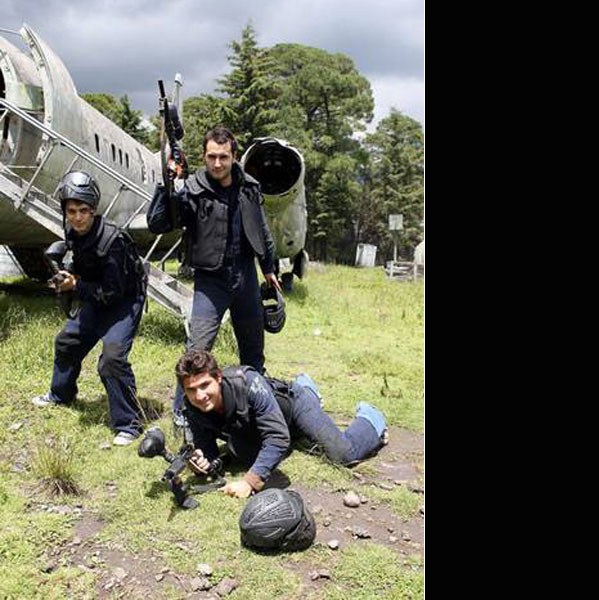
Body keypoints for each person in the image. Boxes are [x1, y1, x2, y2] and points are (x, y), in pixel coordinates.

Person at [147, 126, 281, 426]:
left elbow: (262, 230)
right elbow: (156, 223)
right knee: (197, 350)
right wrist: (166, 185)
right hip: (211, 280)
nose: (217, 164)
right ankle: (183, 412)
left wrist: (270, 268)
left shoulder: (249, 187)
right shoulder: (192, 190)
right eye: (211, 157)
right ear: (204, 157)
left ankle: (260, 410)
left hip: (245, 276)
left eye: (223, 157)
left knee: (253, 353)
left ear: (234, 156)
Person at [31, 171, 148, 446]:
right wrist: (66, 273)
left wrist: (75, 287)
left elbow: (113, 292)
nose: (77, 217)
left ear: (93, 210)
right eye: (71, 211)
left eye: (83, 211)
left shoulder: (113, 240)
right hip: (97, 296)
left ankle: (129, 424)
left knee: (112, 360)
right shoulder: (72, 231)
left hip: (123, 301)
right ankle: (61, 394)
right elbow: (83, 265)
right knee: (66, 342)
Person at [175, 349, 388, 498]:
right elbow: (208, 452)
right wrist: (202, 464)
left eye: (205, 385)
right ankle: (308, 387)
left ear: (219, 377)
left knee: (344, 454)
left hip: (293, 407)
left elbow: (278, 437)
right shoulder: (192, 406)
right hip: (256, 427)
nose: (200, 395)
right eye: (191, 389)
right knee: (247, 456)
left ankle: (371, 417)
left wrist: (249, 483)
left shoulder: (247, 383)